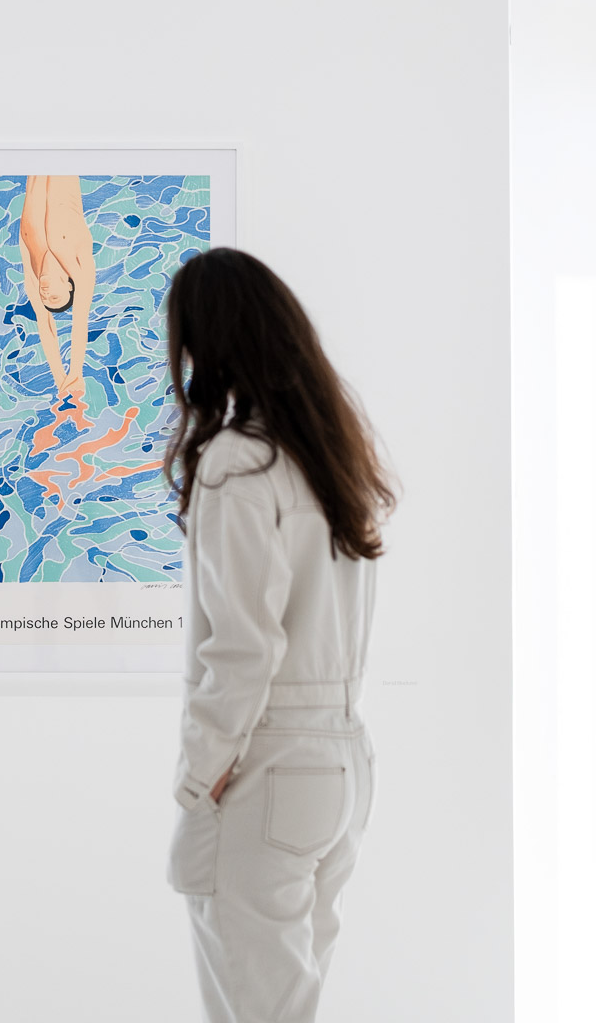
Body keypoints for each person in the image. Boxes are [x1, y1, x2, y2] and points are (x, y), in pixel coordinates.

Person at [162, 247, 400, 1023]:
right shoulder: (331, 461)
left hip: (268, 768)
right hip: (341, 766)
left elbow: (242, 647)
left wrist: (198, 775)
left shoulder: (238, 464)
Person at [19, 174, 96, 398]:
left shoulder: (32, 262)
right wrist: (74, 373)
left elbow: (45, 324)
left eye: (45, 300)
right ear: (69, 286)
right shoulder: (77, 261)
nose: (45, 295)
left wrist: (58, 378)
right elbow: (80, 321)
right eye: (54, 297)